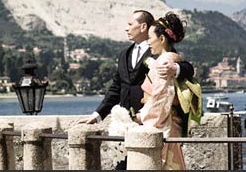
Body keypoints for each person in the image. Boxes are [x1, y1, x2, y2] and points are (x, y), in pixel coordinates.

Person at [77, 10, 195, 169]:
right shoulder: (124, 54)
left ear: (143, 27)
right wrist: (97, 115)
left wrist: (176, 68)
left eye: (130, 24)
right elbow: (115, 88)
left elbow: (186, 67)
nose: (126, 29)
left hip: (151, 123)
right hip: (127, 125)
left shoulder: (160, 51)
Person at [136, 12, 201, 170]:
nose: (148, 42)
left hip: (165, 124)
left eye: (150, 37)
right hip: (172, 123)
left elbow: (161, 98)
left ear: (162, 39)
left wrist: (141, 116)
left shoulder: (164, 62)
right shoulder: (173, 59)